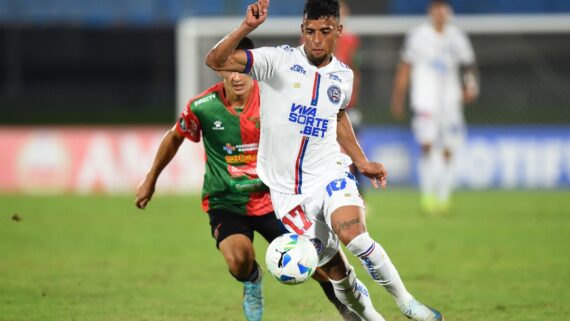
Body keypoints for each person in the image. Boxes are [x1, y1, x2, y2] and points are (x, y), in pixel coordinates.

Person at [205, 1, 443, 320]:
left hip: (329, 173)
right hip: (288, 193)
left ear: (338, 32)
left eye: (325, 32)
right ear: (302, 30)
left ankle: (407, 303)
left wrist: (361, 160)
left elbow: (338, 118)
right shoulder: (276, 61)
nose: (316, 39)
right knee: (337, 271)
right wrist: (248, 27)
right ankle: (372, 317)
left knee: (356, 238)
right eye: (310, 32)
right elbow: (215, 59)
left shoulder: (343, 76)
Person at [135, 37, 359, 321]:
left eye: (242, 68)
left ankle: (349, 310)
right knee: (239, 261)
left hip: (276, 199)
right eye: (230, 68)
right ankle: (252, 280)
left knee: (318, 264)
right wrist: (150, 179)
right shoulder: (203, 106)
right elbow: (174, 136)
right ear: (220, 68)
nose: (236, 76)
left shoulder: (275, 100)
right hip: (227, 202)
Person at [391, 0, 479, 214]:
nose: (440, 14)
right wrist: (398, 97)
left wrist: (470, 86)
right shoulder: (418, 35)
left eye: (443, 10)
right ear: (431, 13)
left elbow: (468, 65)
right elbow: (405, 66)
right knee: (427, 145)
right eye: (436, 9)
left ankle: (443, 197)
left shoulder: (456, 36)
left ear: (448, 13)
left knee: (449, 148)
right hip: (425, 99)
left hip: (450, 100)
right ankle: (428, 196)